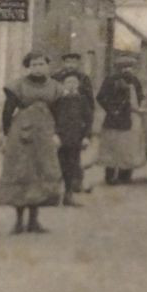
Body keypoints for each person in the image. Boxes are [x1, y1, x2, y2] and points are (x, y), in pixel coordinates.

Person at [0, 52, 64, 234]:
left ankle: (34, 221)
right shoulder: (17, 86)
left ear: (47, 66)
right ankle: (18, 222)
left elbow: (59, 113)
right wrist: (5, 136)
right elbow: (7, 112)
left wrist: (57, 134)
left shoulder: (55, 88)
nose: (38, 67)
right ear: (28, 67)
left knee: (40, 172)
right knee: (21, 172)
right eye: (34, 64)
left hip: (44, 133)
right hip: (22, 133)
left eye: (41, 64)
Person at [96, 55, 147, 183]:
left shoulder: (135, 81)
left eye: (130, 67)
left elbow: (140, 95)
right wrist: (111, 109)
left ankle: (125, 175)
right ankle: (110, 176)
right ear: (118, 68)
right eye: (124, 67)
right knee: (111, 147)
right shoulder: (110, 80)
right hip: (114, 118)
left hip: (130, 118)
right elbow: (101, 97)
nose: (127, 70)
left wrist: (137, 103)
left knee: (128, 147)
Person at [52, 70, 95, 205]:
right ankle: (54, 195)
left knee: (72, 166)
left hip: (76, 138)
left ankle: (68, 195)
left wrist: (87, 137)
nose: (71, 85)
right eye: (68, 82)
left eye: (74, 82)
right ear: (63, 84)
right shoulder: (57, 100)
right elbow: (51, 119)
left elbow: (88, 120)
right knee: (57, 165)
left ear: (78, 85)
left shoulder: (82, 100)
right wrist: (54, 134)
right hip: (59, 138)